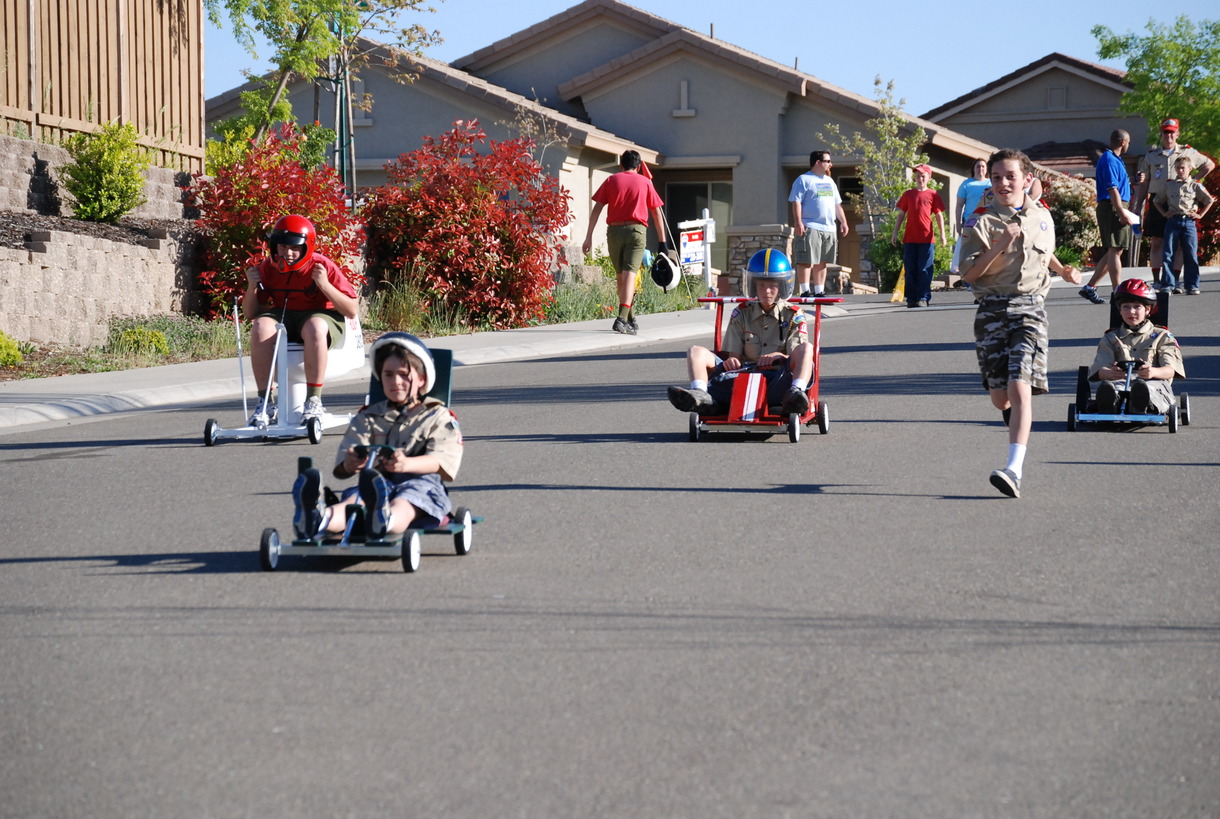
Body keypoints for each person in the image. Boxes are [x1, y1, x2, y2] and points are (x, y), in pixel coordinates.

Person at [959, 149, 1081, 499]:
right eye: (996, 177)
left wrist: (1063, 269)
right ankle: (1010, 412)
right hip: (991, 311)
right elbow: (968, 274)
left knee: (1019, 384)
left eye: (1010, 176)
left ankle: (1014, 469)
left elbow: (1042, 250)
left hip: (1030, 309)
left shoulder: (1042, 216)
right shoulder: (980, 223)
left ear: (1028, 180)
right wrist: (1000, 245)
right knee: (1001, 399)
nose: (1003, 183)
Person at [292, 333, 464, 541]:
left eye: (403, 375)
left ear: (421, 379)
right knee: (354, 502)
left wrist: (406, 464)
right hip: (375, 484)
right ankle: (318, 519)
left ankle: (384, 520)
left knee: (406, 502)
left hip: (422, 484)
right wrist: (351, 462)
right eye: (388, 375)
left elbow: (440, 460)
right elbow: (348, 458)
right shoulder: (368, 416)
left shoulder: (437, 416)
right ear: (380, 377)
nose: (395, 382)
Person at [667, 248, 813, 417]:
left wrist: (779, 356)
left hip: (778, 380)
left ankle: (796, 394)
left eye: (772, 285)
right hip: (742, 378)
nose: (766, 291)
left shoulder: (794, 315)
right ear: (753, 286)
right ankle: (700, 395)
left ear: (781, 286)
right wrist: (732, 361)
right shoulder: (741, 313)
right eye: (761, 285)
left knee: (807, 348)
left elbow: (796, 355)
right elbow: (734, 356)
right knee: (695, 351)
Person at [242, 215, 360, 425]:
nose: (288, 253)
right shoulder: (268, 267)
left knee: (314, 327)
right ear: (274, 246)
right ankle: (265, 402)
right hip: (285, 315)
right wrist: (251, 287)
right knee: (260, 326)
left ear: (307, 246)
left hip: (321, 315)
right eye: (283, 247)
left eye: (295, 248)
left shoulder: (322, 265)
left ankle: (313, 400)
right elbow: (251, 313)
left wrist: (324, 284)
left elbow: (351, 310)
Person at [581, 150, 668, 335]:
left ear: (621, 165)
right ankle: (621, 318)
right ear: (638, 166)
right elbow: (656, 212)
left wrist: (588, 236)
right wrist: (662, 242)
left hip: (614, 231)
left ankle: (630, 318)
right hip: (637, 231)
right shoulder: (645, 182)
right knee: (630, 275)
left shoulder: (611, 180)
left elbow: (597, 208)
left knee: (621, 276)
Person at [1134, 118, 1216, 288]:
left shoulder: (1188, 153)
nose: (1168, 136)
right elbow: (1144, 182)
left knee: (1179, 245)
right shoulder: (1151, 155)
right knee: (1157, 242)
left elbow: (1209, 165)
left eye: (1172, 132)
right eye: (1166, 132)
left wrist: (1193, 181)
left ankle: (1175, 280)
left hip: (1181, 202)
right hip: (1159, 202)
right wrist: (1137, 206)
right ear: (1161, 134)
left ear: (1177, 134)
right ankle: (1157, 281)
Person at [1087, 278, 1184, 414]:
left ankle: (1142, 405)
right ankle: (1110, 405)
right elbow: (1099, 369)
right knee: (1111, 388)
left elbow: (1171, 370)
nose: (1131, 312)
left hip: (1153, 382)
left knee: (1147, 389)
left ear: (1147, 309)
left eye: (1137, 307)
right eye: (1126, 307)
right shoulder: (1111, 337)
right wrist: (1109, 373)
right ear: (1119, 310)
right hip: (1119, 381)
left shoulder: (1162, 336)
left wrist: (1153, 372)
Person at [1079, 130, 1135, 305]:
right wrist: (1121, 212)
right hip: (1112, 206)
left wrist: (1133, 180)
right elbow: (1112, 189)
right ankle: (1118, 292)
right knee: (1115, 250)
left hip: (1115, 206)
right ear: (1123, 142)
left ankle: (1090, 287)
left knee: (1114, 250)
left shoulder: (1114, 159)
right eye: (1128, 142)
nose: (1128, 145)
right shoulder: (1109, 160)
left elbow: (1119, 185)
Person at [788, 151, 849, 297]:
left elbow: (837, 204)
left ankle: (819, 291)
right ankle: (805, 291)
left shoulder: (830, 182)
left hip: (829, 228)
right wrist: (798, 222)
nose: (830, 164)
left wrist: (843, 222)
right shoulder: (803, 179)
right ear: (818, 162)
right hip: (810, 226)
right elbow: (796, 202)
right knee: (806, 260)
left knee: (822, 261)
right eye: (828, 161)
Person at [1153, 155, 1214, 295]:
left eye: (1182, 168)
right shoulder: (1169, 185)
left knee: (1191, 255)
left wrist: (1200, 215)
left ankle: (1192, 285)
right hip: (1173, 221)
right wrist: (1164, 213)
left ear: (1190, 169)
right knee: (1168, 254)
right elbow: (1157, 200)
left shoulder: (1195, 185)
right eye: (1177, 168)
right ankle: (1168, 284)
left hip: (1188, 222)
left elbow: (1209, 200)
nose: (1180, 171)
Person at [891, 164, 948, 308]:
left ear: (928, 178)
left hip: (926, 239)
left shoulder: (933, 194)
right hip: (910, 239)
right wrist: (895, 232)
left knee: (924, 269)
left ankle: (923, 297)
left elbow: (939, 215)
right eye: (917, 176)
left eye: (923, 176)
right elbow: (901, 214)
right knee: (910, 269)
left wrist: (942, 234)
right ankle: (911, 298)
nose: (920, 178)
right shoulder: (908, 194)